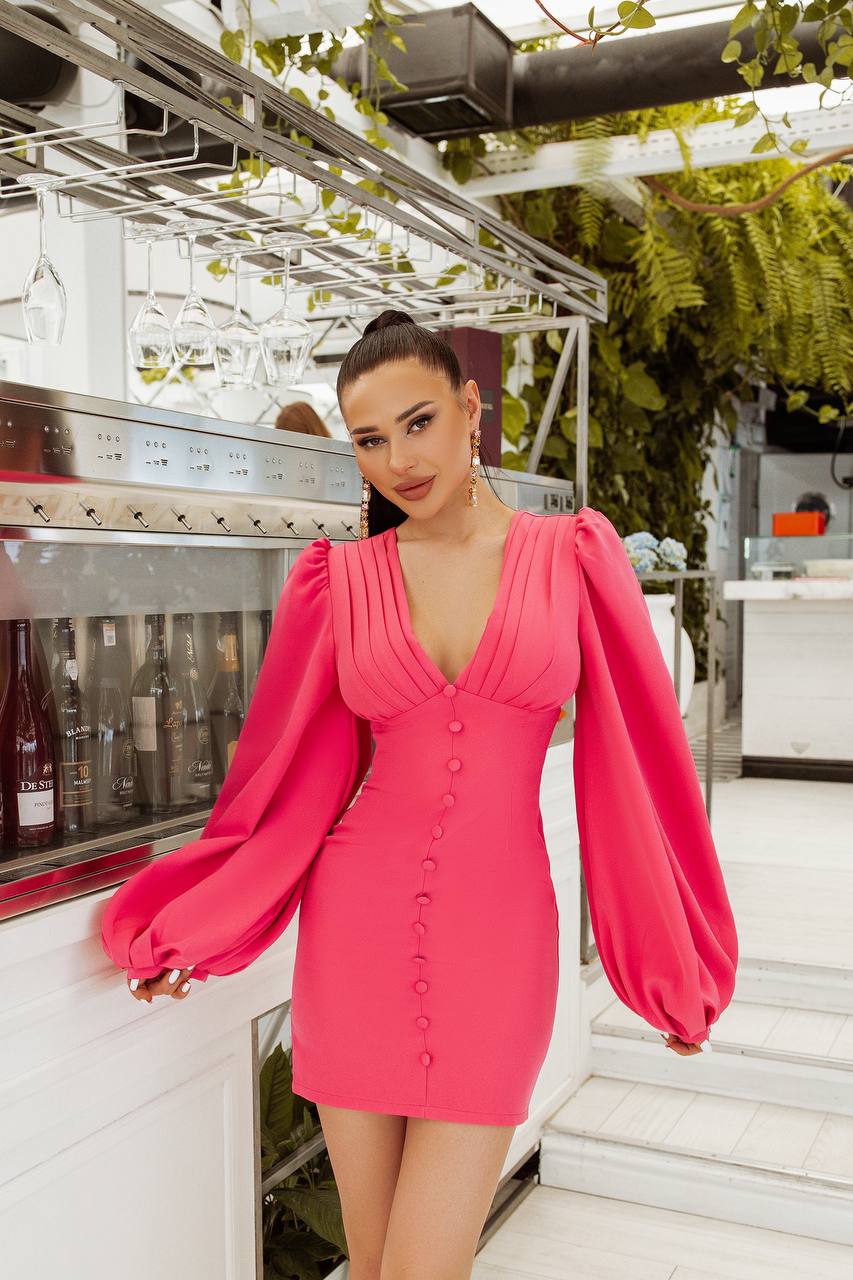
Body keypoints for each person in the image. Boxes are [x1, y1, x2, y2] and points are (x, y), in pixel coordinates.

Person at [100, 309, 738, 1280]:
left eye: (418, 420)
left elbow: (637, 765)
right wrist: (193, 926)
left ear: (469, 408)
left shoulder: (572, 553)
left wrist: (671, 971)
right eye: (368, 437)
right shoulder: (336, 580)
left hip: (498, 941)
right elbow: (281, 788)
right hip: (353, 940)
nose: (397, 455)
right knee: (376, 1261)